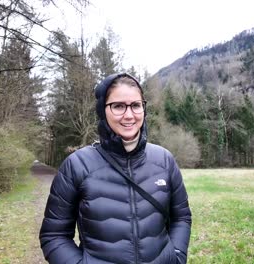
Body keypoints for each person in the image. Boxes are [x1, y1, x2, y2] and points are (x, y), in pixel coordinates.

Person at [39, 72, 192, 264]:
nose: (129, 115)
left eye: (136, 105)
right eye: (118, 106)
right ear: (103, 110)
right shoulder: (76, 165)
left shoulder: (164, 160)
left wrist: (176, 255)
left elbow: (181, 217)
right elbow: (54, 235)